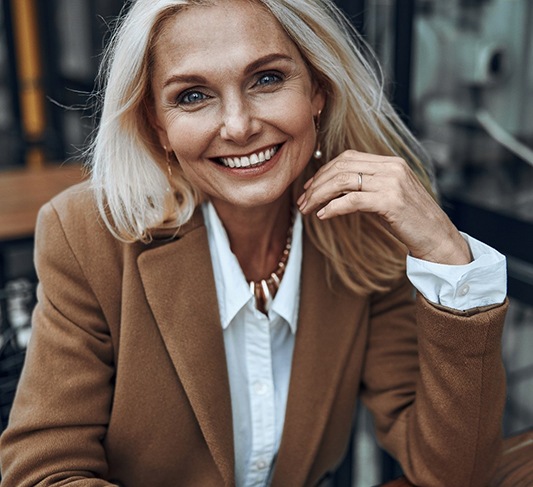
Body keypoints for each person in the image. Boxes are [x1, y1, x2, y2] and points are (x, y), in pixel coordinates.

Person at [0, 0, 508, 486]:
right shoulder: (88, 233)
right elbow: (43, 473)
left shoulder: (363, 229)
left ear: (318, 90)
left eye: (267, 79)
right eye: (192, 96)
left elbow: (453, 473)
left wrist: (450, 261)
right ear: (158, 125)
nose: (239, 126)